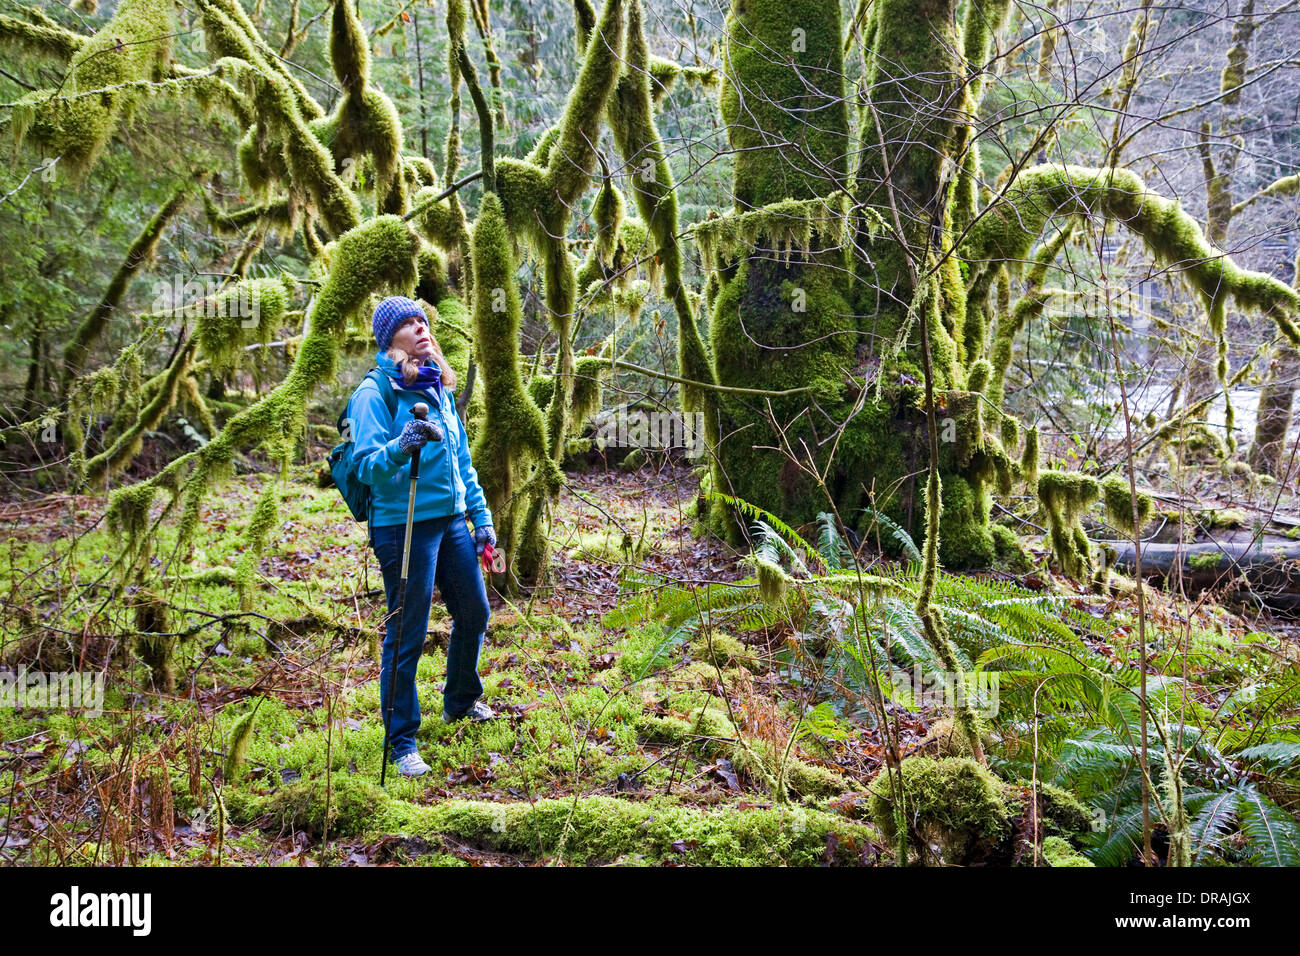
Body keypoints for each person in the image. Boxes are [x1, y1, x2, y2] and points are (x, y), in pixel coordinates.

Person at [347, 295, 499, 777]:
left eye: (422, 320)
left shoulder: (440, 388)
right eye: (408, 323)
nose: (420, 328)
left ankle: (459, 699)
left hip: (451, 518)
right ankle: (401, 741)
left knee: (474, 611)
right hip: (402, 524)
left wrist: (482, 520)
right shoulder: (373, 395)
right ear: (389, 339)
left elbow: (462, 464)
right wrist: (401, 445)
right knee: (408, 629)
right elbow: (364, 466)